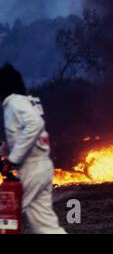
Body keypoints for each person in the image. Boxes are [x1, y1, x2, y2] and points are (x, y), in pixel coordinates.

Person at [0, 63, 66, 234]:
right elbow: (21, 135)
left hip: (32, 168)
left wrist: (13, 160)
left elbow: (35, 124)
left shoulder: (13, 102)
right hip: (40, 166)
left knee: (8, 216)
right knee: (44, 226)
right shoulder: (26, 102)